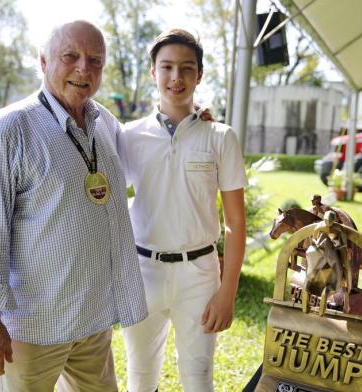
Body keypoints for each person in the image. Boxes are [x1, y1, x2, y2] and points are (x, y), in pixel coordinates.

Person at [0, 20, 147, 391]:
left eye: (95, 60)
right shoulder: (7, 130)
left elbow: (152, 151)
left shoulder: (105, 122)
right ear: (43, 62)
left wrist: (194, 118)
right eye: (70, 56)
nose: (83, 68)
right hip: (31, 328)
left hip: (91, 321)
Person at [120, 29, 247, 392]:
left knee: (198, 378)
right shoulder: (128, 136)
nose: (176, 77)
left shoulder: (220, 137)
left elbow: (235, 223)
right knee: (140, 378)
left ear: (199, 75)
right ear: (153, 72)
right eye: (167, 67)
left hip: (200, 276)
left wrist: (228, 291)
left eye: (186, 68)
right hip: (142, 273)